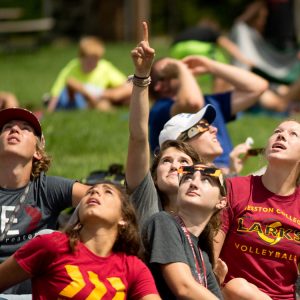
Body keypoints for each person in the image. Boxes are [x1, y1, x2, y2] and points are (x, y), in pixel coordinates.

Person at [0, 181, 161, 300]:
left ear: (123, 218)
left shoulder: (132, 267)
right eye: (90, 191)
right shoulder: (51, 245)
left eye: (107, 192)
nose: (95, 193)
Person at [0, 107, 92, 295]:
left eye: (25, 128)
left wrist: (72, 234)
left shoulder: (46, 188)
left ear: (38, 152)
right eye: (7, 127)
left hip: (33, 290)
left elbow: (104, 198)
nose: (15, 130)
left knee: (49, 236)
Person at [126, 22, 201, 229]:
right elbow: (138, 137)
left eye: (183, 161)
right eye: (166, 161)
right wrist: (142, 75)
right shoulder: (147, 200)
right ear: (154, 178)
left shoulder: (204, 215)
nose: (173, 165)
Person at [214, 120, 300, 299]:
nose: (281, 135)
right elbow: (211, 258)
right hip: (233, 294)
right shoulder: (235, 189)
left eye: (294, 134)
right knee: (238, 287)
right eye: (277, 131)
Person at [148, 54, 268, 172]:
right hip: (197, 176)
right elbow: (193, 103)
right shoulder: (160, 109)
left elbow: (258, 87)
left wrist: (210, 66)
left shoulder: (211, 102)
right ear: (158, 86)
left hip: (225, 174)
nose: (212, 129)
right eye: (169, 72)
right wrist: (181, 67)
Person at [142, 163, 227, 299]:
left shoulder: (203, 256)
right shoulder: (163, 221)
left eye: (206, 180)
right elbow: (183, 287)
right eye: (187, 178)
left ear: (221, 202)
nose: (193, 183)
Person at [158, 104, 253, 176]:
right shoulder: (182, 188)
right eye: (203, 126)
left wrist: (233, 172)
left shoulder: (215, 178)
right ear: (181, 144)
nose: (214, 129)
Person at [46, 36, 132, 112]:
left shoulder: (103, 67)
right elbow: (59, 90)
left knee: (125, 96)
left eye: (96, 60)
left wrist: (109, 94)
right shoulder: (72, 67)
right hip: (72, 99)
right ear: (81, 58)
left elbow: (128, 86)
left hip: (97, 97)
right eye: (89, 60)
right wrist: (50, 109)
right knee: (73, 84)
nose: (92, 63)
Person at [170, 18, 254, 93]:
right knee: (222, 68)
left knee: (188, 72)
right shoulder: (211, 31)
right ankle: (218, 98)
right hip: (198, 47)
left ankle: (184, 96)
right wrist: (244, 60)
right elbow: (227, 45)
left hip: (176, 48)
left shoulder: (190, 30)